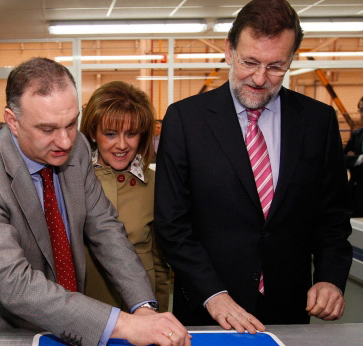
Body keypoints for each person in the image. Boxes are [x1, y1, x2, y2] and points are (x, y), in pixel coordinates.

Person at [0, 58, 189, 346]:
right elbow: (14, 285)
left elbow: (106, 230)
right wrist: (124, 323)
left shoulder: (78, 149)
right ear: (12, 121)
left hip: (64, 323)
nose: (65, 141)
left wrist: (143, 307)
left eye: (71, 124)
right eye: (47, 129)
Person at [155, 0, 353, 334]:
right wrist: (213, 294)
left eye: (276, 66)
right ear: (229, 51)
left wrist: (330, 279)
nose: (260, 79)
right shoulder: (185, 119)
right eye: (250, 62)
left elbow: (332, 217)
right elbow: (172, 224)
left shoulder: (319, 122)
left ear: (291, 59)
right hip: (208, 309)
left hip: (289, 309)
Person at [80, 81, 170, 312]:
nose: (122, 145)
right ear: (92, 133)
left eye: (131, 134)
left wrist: (158, 311)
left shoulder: (156, 184)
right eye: (110, 134)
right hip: (89, 309)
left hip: (141, 308)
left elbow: (160, 261)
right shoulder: (73, 181)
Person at [343, 96, 363, 217]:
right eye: (361, 110)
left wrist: (353, 158)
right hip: (356, 193)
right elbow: (341, 159)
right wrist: (359, 159)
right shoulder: (357, 134)